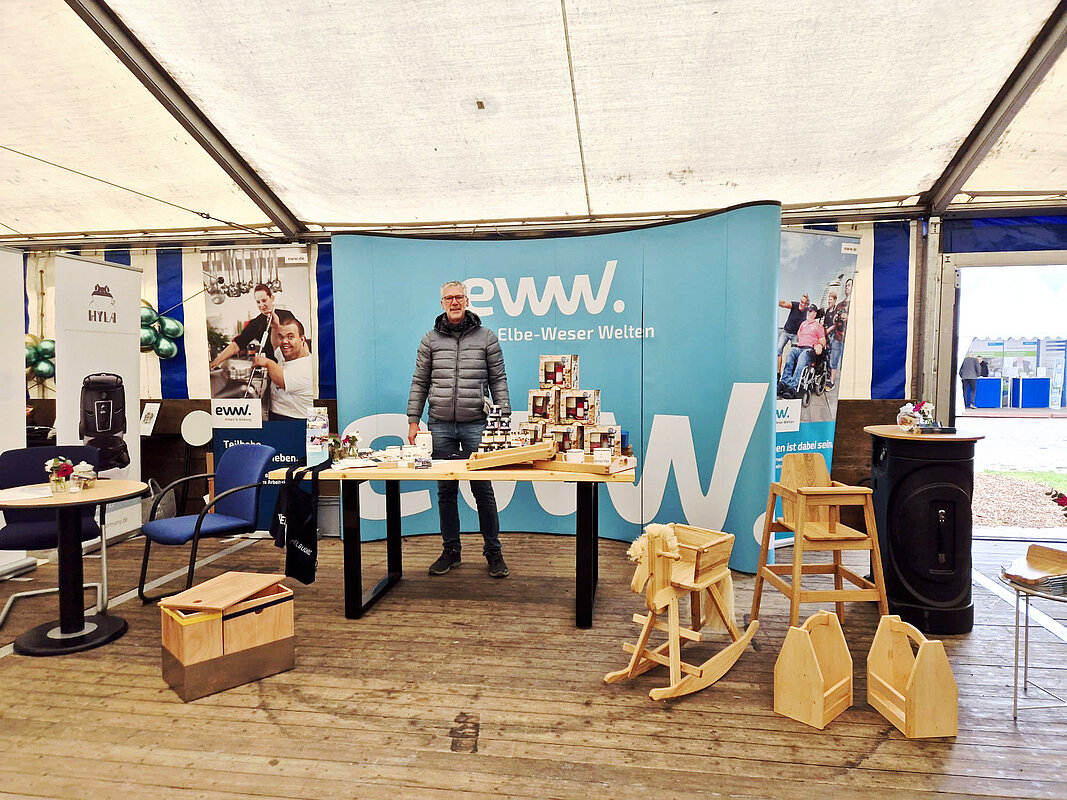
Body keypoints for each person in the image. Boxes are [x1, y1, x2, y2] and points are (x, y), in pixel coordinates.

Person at [407, 280, 511, 578]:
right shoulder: (430, 340)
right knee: (446, 492)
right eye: (448, 298)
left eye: (459, 297)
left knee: (483, 490)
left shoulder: (487, 337)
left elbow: (498, 380)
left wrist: (503, 418)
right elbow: (420, 381)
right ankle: (451, 550)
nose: (454, 302)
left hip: (477, 424)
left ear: (467, 301)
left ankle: (493, 551)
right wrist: (414, 420)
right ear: (442, 303)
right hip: (439, 425)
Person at [253, 312, 313, 421]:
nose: (284, 341)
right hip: (277, 416)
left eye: (290, 337)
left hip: (295, 421)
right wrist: (275, 327)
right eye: (281, 337)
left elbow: (282, 380)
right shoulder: (288, 354)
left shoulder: (307, 367)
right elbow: (276, 345)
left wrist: (267, 362)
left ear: (302, 339)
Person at [209, 283, 281, 369]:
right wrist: (216, 361)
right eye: (258, 302)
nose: (261, 305)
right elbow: (237, 344)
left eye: (264, 300)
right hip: (274, 369)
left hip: (291, 365)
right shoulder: (256, 324)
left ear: (272, 298)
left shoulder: (287, 315)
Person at [778, 304, 827, 398]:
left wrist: (819, 345)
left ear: (815, 314)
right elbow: (799, 334)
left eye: (810, 311)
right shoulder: (803, 324)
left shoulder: (818, 326)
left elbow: (823, 340)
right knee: (791, 352)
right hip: (800, 347)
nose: (808, 312)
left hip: (809, 350)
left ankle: (793, 387)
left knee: (803, 356)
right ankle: (784, 382)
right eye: (808, 310)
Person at [777, 293, 809, 374]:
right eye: (801, 301)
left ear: (806, 305)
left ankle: (791, 373)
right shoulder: (795, 305)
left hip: (795, 336)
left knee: (794, 354)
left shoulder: (807, 312)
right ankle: (778, 373)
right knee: (779, 349)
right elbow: (784, 303)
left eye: (803, 303)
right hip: (786, 332)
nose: (801, 304)